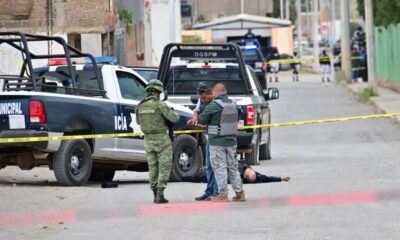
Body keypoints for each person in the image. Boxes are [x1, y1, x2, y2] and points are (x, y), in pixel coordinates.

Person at [198, 82, 245, 202]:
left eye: (213, 92)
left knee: (220, 168)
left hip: (217, 142)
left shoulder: (213, 106)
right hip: (231, 141)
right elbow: (238, 118)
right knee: (233, 167)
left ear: (216, 92)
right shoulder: (235, 105)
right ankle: (240, 193)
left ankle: (222, 194)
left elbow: (202, 120)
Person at [136, 79, 179, 204]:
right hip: (162, 141)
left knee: (153, 168)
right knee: (164, 167)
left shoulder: (140, 105)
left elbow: (139, 122)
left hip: (148, 140)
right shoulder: (160, 104)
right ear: (158, 91)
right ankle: (160, 195)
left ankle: (154, 193)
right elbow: (174, 118)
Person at [187, 82, 218, 201]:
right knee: (209, 166)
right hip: (210, 137)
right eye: (200, 98)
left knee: (216, 167)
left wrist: (200, 125)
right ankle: (209, 191)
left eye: (204, 98)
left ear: (211, 94)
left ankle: (217, 192)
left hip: (218, 139)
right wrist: (195, 119)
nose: (203, 100)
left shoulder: (216, 104)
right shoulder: (203, 100)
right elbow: (197, 110)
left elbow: (211, 123)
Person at [185, 161, 291, 184]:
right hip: (220, 166)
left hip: (217, 175)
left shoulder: (241, 176)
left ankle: (184, 177)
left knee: (195, 177)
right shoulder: (247, 169)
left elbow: (268, 179)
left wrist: (280, 178)